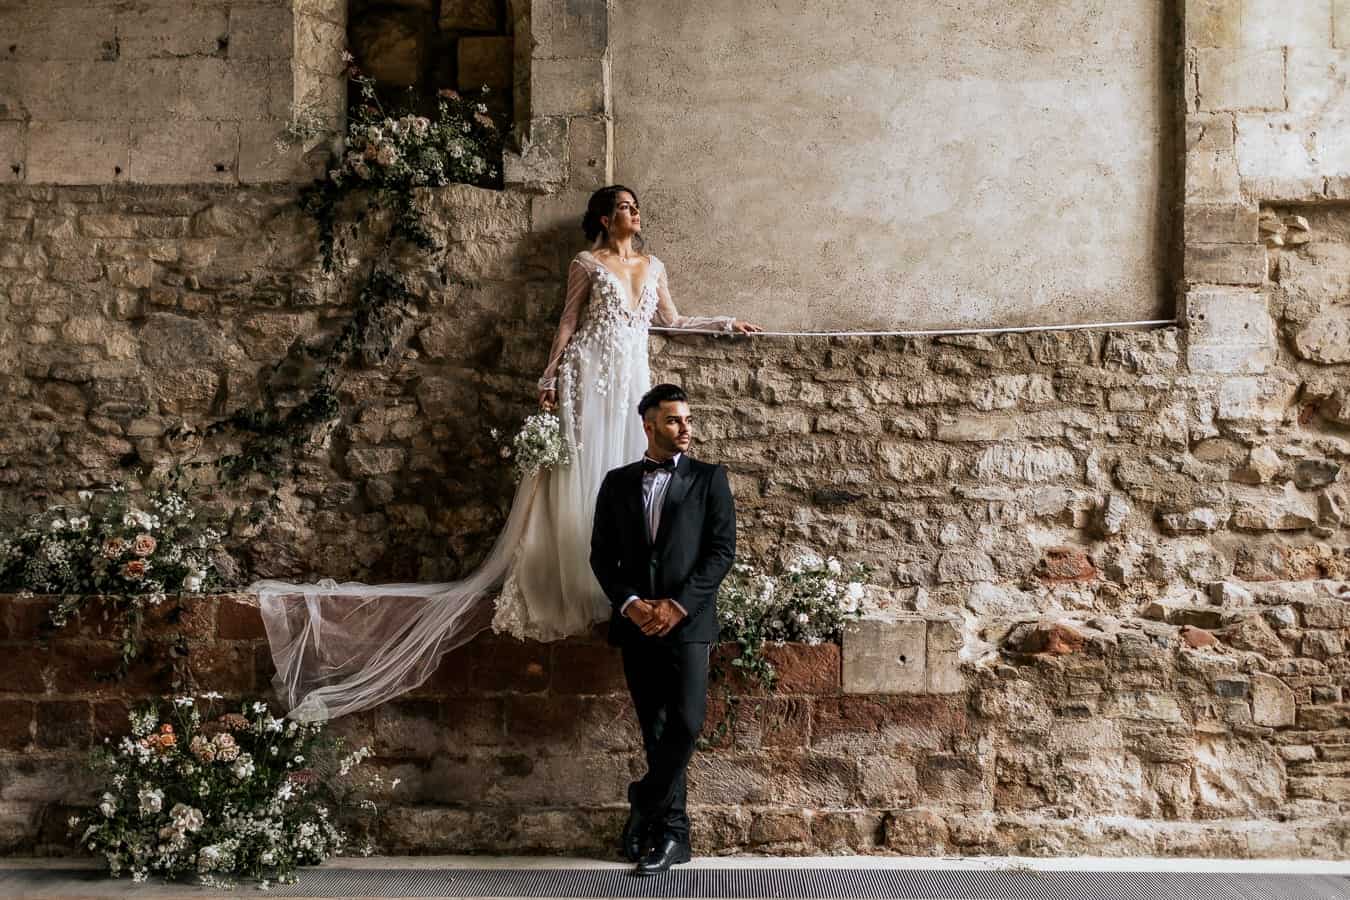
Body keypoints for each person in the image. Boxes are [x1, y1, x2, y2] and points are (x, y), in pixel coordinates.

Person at [250, 185, 760, 722]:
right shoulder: (586, 263)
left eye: (637, 207)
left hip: (631, 378)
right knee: (583, 469)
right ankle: (575, 580)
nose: (637, 213)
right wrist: (548, 375)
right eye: (628, 207)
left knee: (627, 472)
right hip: (587, 375)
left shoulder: (654, 266)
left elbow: (672, 322)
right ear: (607, 219)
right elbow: (568, 321)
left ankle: (620, 579)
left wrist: (725, 323)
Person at [591, 384, 735, 875]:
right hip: (637, 627)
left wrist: (677, 606)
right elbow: (601, 557)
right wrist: (631, 605)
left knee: (688, 722)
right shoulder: (616, 483)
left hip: (688, 625)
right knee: (654, 731)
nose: (685, 428)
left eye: (687, 419)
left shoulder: (709, 479)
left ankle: (645, 799)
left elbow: (721, 553)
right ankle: (673, 836)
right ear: (649, 425)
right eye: (674, 420)